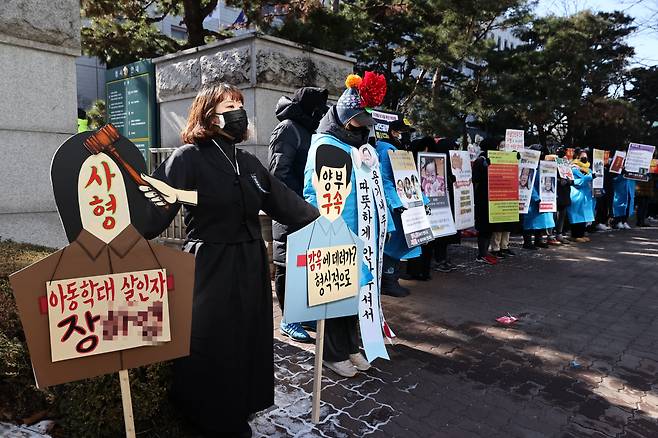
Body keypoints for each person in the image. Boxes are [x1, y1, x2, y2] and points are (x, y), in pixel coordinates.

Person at [139, 84, 319, 437]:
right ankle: (207, 419)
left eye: (239, 102)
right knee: (208, 342)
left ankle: (239, 408)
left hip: (250, 265)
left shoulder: (248, 162)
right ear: (208, 113)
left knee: (247, 338)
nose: (238, 109)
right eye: (229, 103)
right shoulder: (186, 158)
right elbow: (150, 214)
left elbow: (285, 202)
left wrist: (326, 220)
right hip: (208, 265)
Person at [303, 71, 387, 377]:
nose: (361, 128)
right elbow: (317, 194)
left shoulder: (359, 146)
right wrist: (326, 230)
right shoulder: (326, 145)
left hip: (360, 232)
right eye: (356, 122)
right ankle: (332, 353)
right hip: (336, 230)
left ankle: (351, 347)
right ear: (344, 118)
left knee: (353, 296)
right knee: (334, 296)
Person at [268, 86, 328, 343]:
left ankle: (301, 313)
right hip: (290, 209)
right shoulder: (288, 128)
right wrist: (296, 203)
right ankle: (288, 319)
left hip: (307, 210)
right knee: (287, 265)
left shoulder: (308, 129)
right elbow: (278, 173)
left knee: (304, 264)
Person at [376, 118, 422, 295]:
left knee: (398, 245)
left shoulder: (397, 150)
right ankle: (388, 282)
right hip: (394, 207)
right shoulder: (387, 150)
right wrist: (395, 203)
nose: (407, 136)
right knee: (391, 245)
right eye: (404, 132)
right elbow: (385, 180)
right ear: (394, 132)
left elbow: (411, 180)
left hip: (403, 204)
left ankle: (392, 279)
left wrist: (422, 200)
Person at [472, 137, 501, 264]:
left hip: (493, 199)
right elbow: (475, 179)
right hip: (483, 199)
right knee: (484, 227)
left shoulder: (496, 159)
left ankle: (485, 251)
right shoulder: (481, 160)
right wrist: (485, 168)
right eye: (497, 146)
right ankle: (481, 254)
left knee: (489, 227)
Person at [523, 145, 555, 249]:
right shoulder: (528, 166)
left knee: (541, 221)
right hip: (531, 200)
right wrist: (535, 197)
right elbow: (529, 185)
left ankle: (538, 240)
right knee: (529, 221)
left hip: (543, 198)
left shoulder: (543, 166)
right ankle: (527, 242)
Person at [490, 140, 518, 258]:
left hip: (510, 196)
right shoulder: (493, 158)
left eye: (505, 146)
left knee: (508, 225)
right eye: (501, 146)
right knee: (498, 226)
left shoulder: (512, 160)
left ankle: (505, 247)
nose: (503, 148)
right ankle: (495, 249)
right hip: (498, 195)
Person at [567, 148, 595, 242]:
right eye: (583, 158)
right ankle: (575, 235)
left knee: (584, 216)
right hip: (577, 194)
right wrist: (589, 177)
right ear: (577, 157)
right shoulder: (574, 168)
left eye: (586, 158)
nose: (585, 159)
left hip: (586, 195)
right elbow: (576, 182)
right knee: (576, 215)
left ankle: (581, 234)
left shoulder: (588, 169)